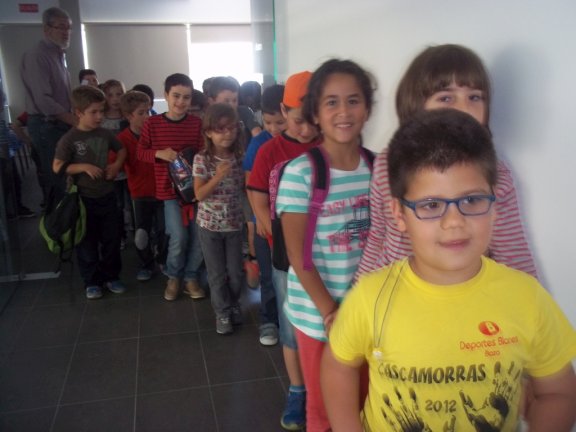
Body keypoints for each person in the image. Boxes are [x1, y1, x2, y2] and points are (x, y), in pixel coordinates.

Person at [322, 108, 576, 432]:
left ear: (494, 204)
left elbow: (558, 392)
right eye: (431, 205)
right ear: (399, 214)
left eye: (471, 201)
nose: (454, 221)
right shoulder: (370, 296)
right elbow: (338, 366)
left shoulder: (527, 298)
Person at [357, 44, 539, 279]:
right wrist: (359, 289)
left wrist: (532, 297)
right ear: (416, 106)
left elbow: (513, 253)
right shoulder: (386, 163)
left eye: (474, 97)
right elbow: (378, 235)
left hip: (458, 289)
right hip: (395, 286)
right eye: (446, 98)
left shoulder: (496, 174)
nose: (464, 108)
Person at [276, 59, 375, 432]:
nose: (343, 111)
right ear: (315, 113)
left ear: (367, 108)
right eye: (331, 102)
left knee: (368, 403)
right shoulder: (301, 173)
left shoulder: (379, 169)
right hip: (319, 316)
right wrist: (331, 312)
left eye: (353, 100)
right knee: (324, 411)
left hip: (367, 315)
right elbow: (299, 256)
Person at [247, 73, 320, 430]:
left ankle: (323, 388)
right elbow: (256, 192)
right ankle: (297, 390)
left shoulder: (330, 146)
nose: (305, 130)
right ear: (283, 111)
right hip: (284, 254)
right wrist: (265, 223)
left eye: (312, 120)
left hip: (325, 252)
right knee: (291, 325)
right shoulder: (270, 150)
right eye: (297, 120)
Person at [52, 85, 127, 299]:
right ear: (78, 112)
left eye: (101, 111)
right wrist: (83, 166)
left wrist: (116, 165)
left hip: (107, 195)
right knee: (87, 242)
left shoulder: (104, 133)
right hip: (83, 200)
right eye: (93, 112)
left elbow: (121, 149)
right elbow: (57, 166)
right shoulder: (69, 139)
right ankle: (92, 281)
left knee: (111, 240)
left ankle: (112, 276)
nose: (99, 116)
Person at [137, 73, 205, 301]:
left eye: (186, 97)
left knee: (199, 237)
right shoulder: (152, 123)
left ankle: (191, 277)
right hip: (168, 192)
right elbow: (140, 152)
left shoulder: (196, 124)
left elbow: (203, 152)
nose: (181, 102)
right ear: (165, 95)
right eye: (176, 96)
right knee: (178, 237)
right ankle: (174, 276)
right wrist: (159, 153)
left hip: (195, 190)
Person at [193, 103, 245, 335]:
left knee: (235, 273)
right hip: (209, 226)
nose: (227, 134)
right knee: (216, 274)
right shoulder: (202, 159)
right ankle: (222, 312)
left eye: (231, 128)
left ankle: (233, 304)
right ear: (208, 132)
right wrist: (218, 176)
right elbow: (199, 194)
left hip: (234, 224)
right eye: (220, 129)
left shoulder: (240, 157)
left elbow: (245, 189)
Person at [244, 84, 287, 346]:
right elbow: (250, 183)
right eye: (268, 122)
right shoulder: (260, 143)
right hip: (265, 221)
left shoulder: (302, 141)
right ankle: (269, 320)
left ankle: (289, 320)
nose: (273, 128)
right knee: (269, 275)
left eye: (279, 122)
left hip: (292, 222)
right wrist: (259, 219)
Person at [21, 6, 75, 201]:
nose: (66, 32)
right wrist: (74, 121)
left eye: (68, 27)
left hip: (59, 124)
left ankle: (72, 218)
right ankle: (60, 220)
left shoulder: (58, 54)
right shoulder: (38, 55)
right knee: (58, 179)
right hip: (47, 126)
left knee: (67, 178)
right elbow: (43, 100)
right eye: (61, 27)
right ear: (47, 29)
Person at [117, 90, 164, 281]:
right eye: (141, 113)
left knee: (164, 230)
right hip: (139, 193)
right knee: (142, 234)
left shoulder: (157, 134)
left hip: (162, 190)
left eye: (149, 111)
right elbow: (115, 165)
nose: (147, 116)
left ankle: (163, 260)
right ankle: (146, 265)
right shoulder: (122, 139)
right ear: (129, 116)